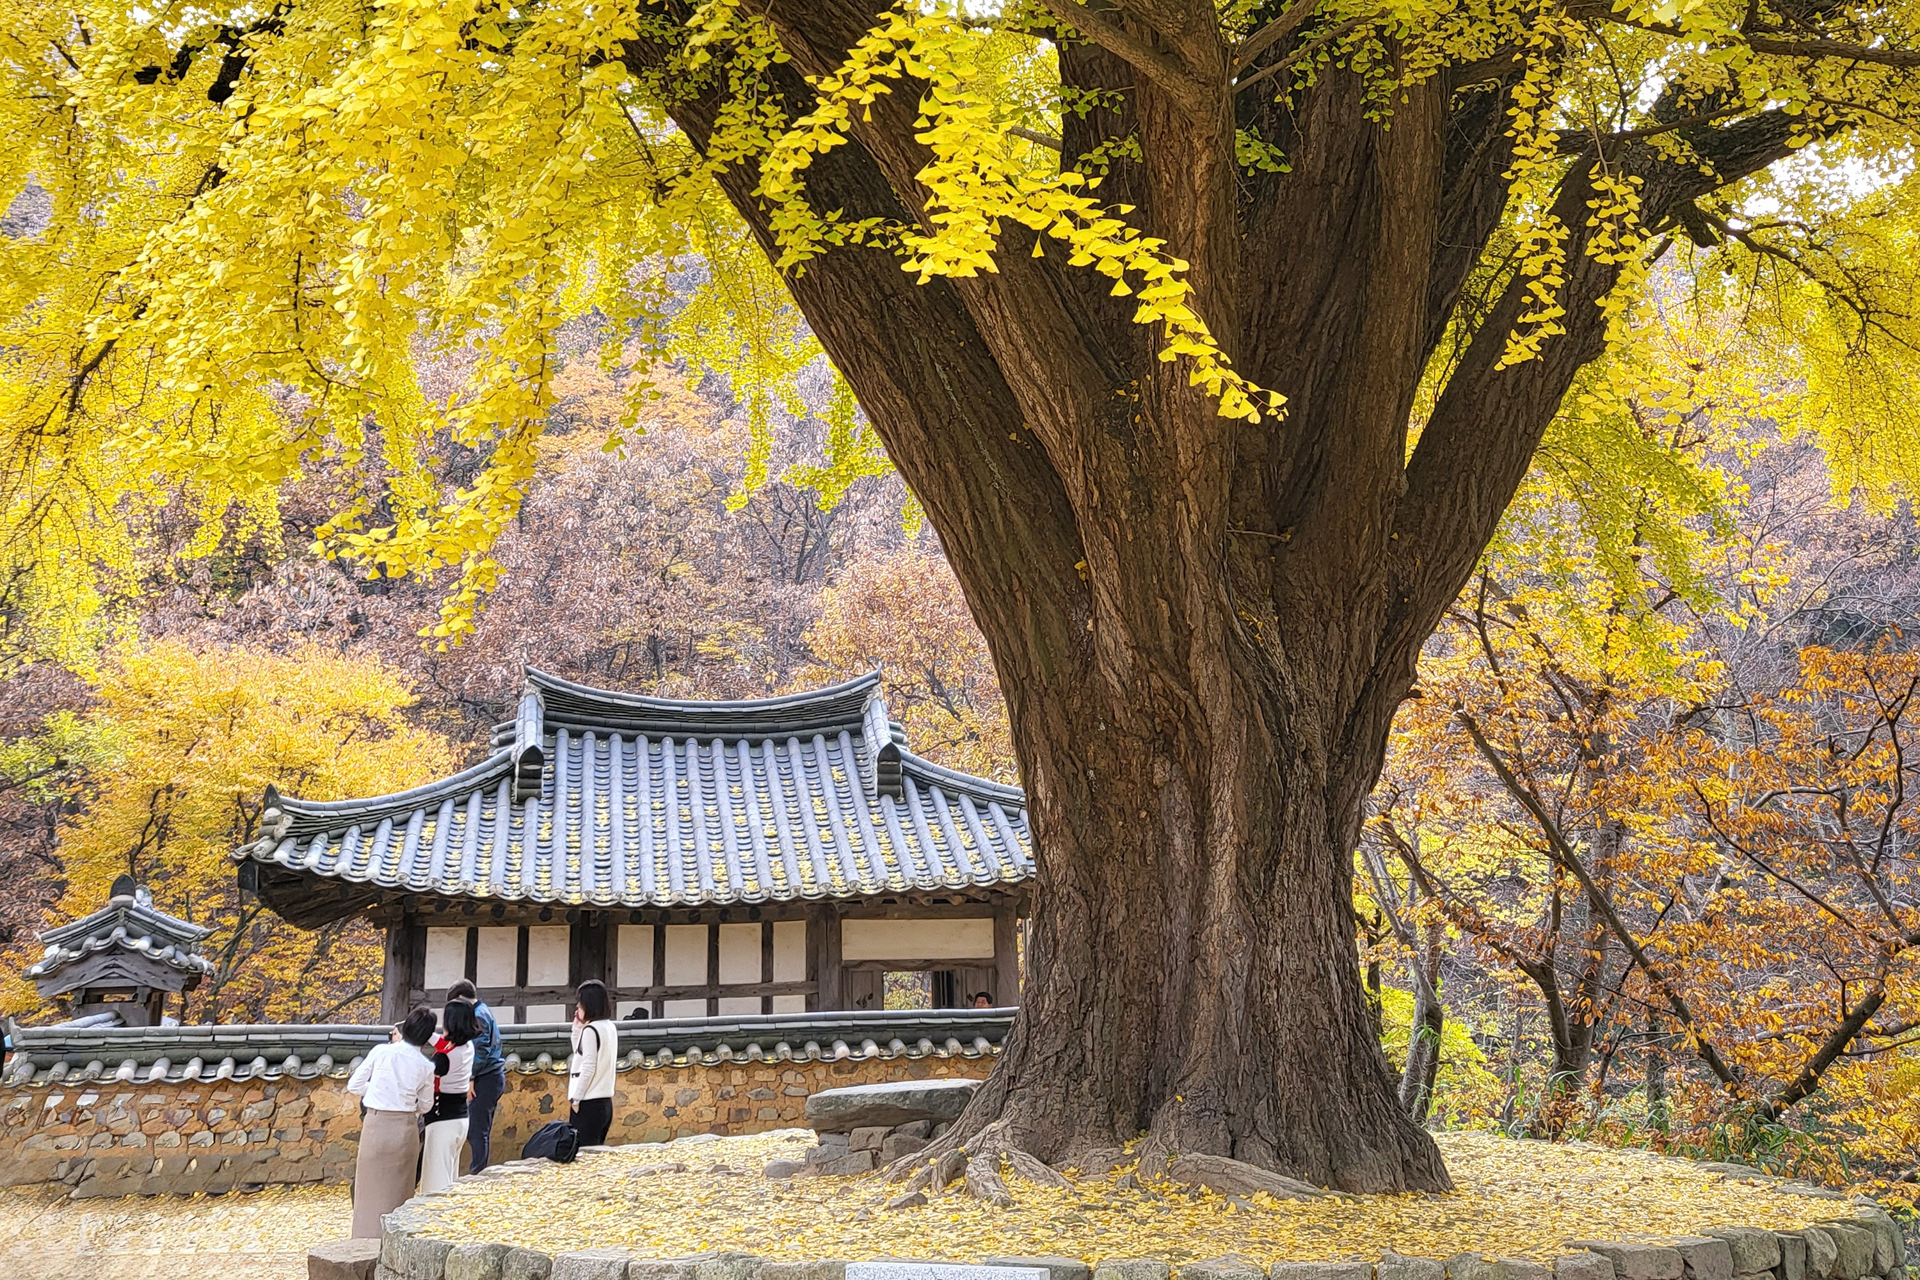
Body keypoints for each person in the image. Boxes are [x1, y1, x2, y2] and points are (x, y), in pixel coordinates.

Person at [346, 1008, 436, 1238]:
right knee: (400, 1191)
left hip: (376, 1124)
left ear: (404, 1030)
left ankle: (362, 1241)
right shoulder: (426, 1066)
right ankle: (395, 1245)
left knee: (368, 1190)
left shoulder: (381, 1052)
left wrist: (375, 1091)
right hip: (405, 1128)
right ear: (426, 1038)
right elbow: (425, 1105)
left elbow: (354, 1085)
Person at [447, 980, 506, 1173]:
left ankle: (477, 1171)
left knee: (477, 1129)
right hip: (490, 1075)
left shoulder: (478, 1015)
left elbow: (480, 1051)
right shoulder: (483, 1010)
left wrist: (469, 1076)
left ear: (461, 998)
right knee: (478, 1127)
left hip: (486, 1076)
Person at [420, 999, 476, 1193]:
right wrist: (426, 1033)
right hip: (460, 1118)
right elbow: (443, 1043)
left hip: (441, 1119)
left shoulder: (445, 1058)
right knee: (450, 1176)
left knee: (436, 1181)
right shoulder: (467, 1047)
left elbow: (424, 1071)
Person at [568, 979, 618, 1148]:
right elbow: (580, 1053)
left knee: (582, 1155)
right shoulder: (608, 1027)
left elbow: (587, 1067)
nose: (577, 1007)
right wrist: (577, 1029)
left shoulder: (591, 1030)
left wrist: (576, 1099)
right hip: (604, 1102)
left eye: (580, 1003)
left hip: (588, 1102)